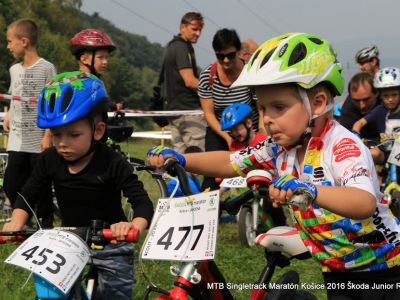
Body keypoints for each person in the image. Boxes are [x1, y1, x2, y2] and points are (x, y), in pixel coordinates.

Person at [148, 33, 400, 300]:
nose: (267, 119)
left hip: (386, 271)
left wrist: (308, 189)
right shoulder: (277, 147)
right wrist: (183, 159)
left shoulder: (342, 145)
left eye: (279, 107)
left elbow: (363, 203)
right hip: (336, 270)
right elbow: (229, 162)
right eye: (262, 107)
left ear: (317, 103)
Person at [2, 71, 154, 299]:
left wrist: (133, 226)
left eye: (73, 134)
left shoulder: (113, 162)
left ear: (98, 131)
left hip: (112, 241)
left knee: (114, 295)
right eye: (56, 134)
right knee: (50, 292)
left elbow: (142, 202)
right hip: (68, 241)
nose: (62, 143)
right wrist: (16, 222)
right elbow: (28, 194)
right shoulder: (49, 159)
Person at [4, 18, 56, 227]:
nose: (8, 46)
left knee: (41, 184)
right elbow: (14, 96)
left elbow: (52, 102)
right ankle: (24, 221)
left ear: (23, 41)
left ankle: (46, 223)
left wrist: (48, 135)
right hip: (17, 139)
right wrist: (8, 115)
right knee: (11, 183)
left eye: (10, 41)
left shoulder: (47, 68)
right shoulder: (14, 70)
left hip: (38, 139)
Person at [198, 28, 259, 191]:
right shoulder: (207, 77)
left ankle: (272, 214)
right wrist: (226, 137)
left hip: (249, 131)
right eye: (220, 56)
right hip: (219, 130)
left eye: (230, 55)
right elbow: (208, 113)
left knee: (261, 177)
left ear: (239, 51)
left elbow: (260, 109)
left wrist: (263, 139)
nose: (225, 60)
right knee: (211, 180)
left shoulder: (251, 74)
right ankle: (211, 212)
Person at [163, 12, 207, 153]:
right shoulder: (182, 47)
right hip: (189, 112)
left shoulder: (171, 46)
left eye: (200, 30)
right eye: (194, 29)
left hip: (173, 112)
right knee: (197, 160)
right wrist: (213, 93)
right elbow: (190, 81)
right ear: (183, 27)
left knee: (179, 162)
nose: (198, 33)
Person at [353, 67, 400, 164]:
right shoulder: (379, 111)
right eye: (386, 96)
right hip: (385, 153)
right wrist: (355, 135)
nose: (390, 99)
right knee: (372, 154)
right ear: (380, 95)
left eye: (394, 95)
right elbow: (359, 123)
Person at [339, 72, 380, 140]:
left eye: (366, 99)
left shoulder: (387, 101)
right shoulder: (348, 109)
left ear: (376, 93)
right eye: (356, 101)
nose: (362, 106)